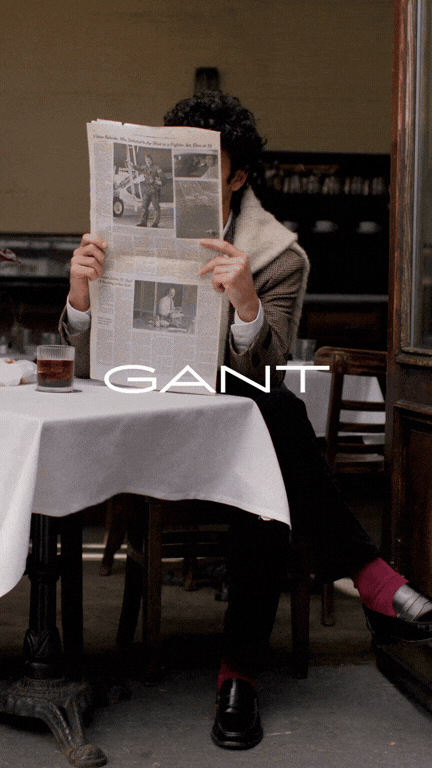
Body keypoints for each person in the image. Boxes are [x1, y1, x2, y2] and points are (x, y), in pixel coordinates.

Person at [59, 91, 432, 752]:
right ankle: (368, 575)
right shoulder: (115, 236)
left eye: (203, 166)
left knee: (267, 452)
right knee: (276, 427)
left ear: (235, 176)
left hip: (227, 435)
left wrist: (248, 304)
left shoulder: (279, 256)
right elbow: (83, 364)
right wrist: (80, 300)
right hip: (141, 427)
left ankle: (240, 677)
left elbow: (270, 367)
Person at [133, 152, 164, 228]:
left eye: (149, 160)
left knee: (156, 206)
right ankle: (143, 222)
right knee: (144, 206)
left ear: (152, 160)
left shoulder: (156, 168)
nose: (148, 162)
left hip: (154, 190)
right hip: (147, 190)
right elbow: (138, 168)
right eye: (146, 160)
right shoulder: (144, 167)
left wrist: (157, 181)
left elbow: (163, 178)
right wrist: (132, 165)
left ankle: (155, 223)